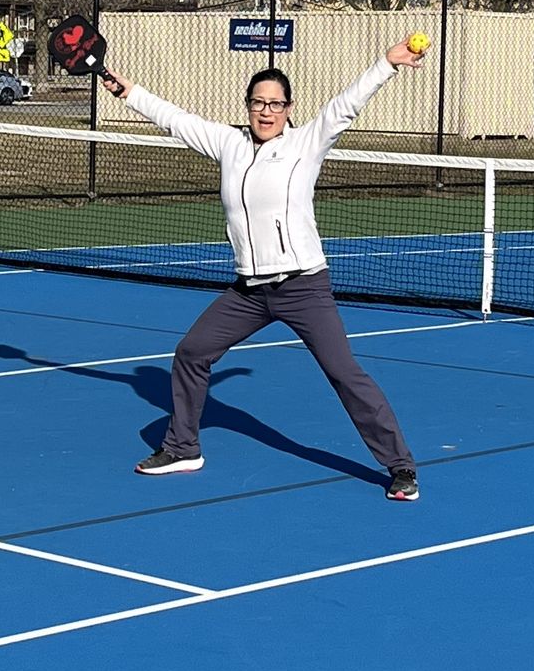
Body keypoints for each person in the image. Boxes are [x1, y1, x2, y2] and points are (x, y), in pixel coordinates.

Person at [100, 41, 425, 502]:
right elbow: (175, 119)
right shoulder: (230, 145)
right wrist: (127, 91)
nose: (266, 111)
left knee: (343, 372)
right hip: (248, 293)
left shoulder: (306, 144)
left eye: (275, 103)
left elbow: (346, 104)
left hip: (303, 287)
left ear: (288, 108)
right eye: (258, 102)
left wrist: (386, 65)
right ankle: (182, 448)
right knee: (192, 352)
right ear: (248, 106)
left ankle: (400, 466)